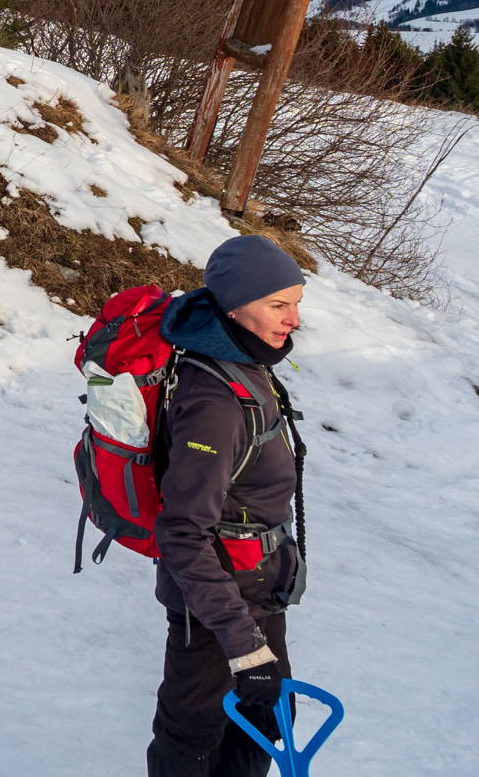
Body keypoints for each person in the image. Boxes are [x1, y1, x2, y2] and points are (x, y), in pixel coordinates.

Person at [148, 235, 310, 777]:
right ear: (234, 305)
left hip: (255, 590)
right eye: (277, 305)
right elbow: (182, 531)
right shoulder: (216, 400)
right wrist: (242, 647)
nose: (292, 320)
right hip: (215, 606)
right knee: (193, 734)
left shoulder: (245, 364)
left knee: (268, 721)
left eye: (296, 304)